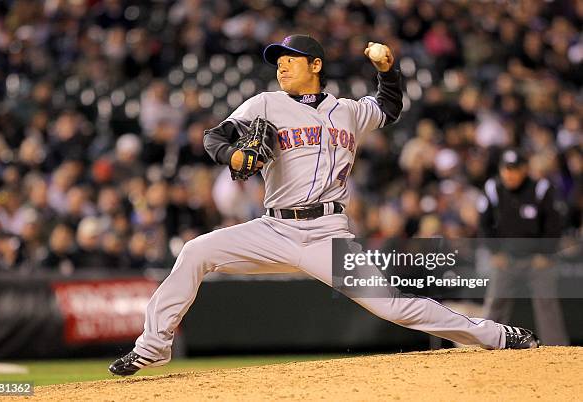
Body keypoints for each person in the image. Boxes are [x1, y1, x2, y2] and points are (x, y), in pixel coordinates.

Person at [109, 35, 539, 376]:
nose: (281, 64)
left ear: (315, 66)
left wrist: (387, 69)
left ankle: (497, 335)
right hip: (273, 230)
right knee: (195, 251)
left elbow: (388, 106)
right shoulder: (264, 103)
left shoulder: (347, 111)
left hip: (328, 236)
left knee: (392, 305)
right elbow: (213, 138)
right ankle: (151, 348)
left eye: (291, 58)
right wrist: (233, 156)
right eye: (278, 59)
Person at [479, 149, 569, 345]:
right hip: (505, 259)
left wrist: (546, 253)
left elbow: (554, 224)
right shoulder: (493, 187)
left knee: (547, 305)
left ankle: (558, 350)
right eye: (506, 169)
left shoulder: (541, 188)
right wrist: (494, 252)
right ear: (501, 170)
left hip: (537, 260)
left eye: (515, 169)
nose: (510, 174)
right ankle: (486, 346)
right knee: (495, 303)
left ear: (525, 169)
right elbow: (484, 223)